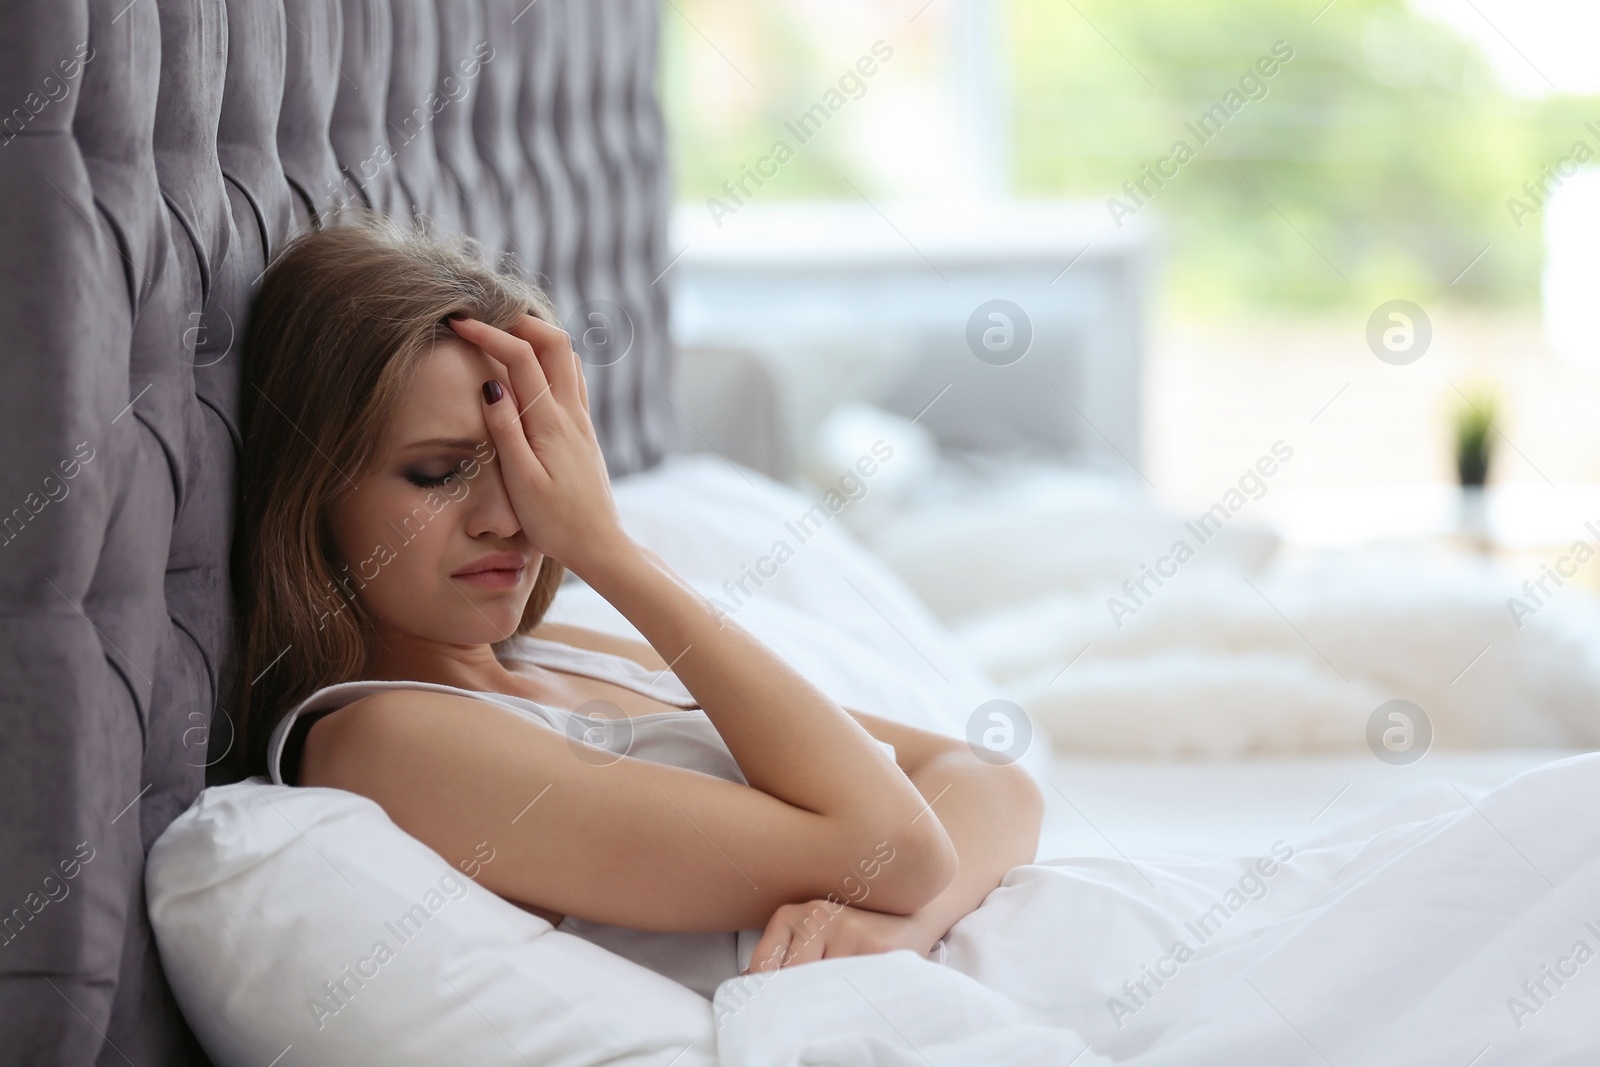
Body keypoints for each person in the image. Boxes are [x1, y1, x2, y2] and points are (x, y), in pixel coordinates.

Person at [230, 214, 1043, 996]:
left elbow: (989, 778)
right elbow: (898, 849)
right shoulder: (385, 741)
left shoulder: (561, 648)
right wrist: (608, 551)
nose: (508, 516)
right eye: (439, 471)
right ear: (312, 492)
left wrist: (898, 930)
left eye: (529, 461)